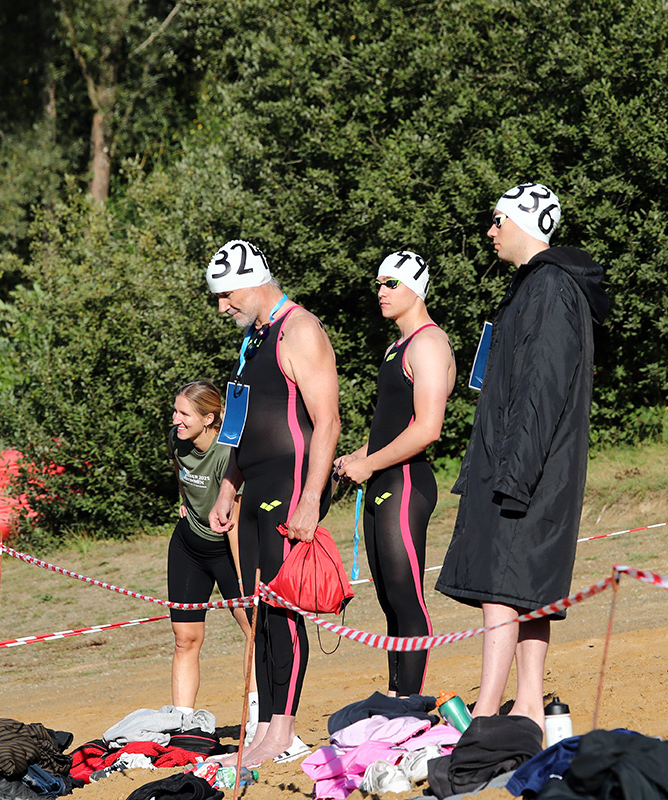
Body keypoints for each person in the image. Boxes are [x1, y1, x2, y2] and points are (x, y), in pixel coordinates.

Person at [435, 183, 608, 726]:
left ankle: (488, 709)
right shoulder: (538, 285)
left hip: (527, 467)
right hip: (527, 464)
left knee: (502, 588)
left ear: (523, 222)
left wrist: (515, 473)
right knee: (526, 586)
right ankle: (528, 704)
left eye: (496, 220)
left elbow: (541, 387)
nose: (489, 231)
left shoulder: (551, 286)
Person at [205, 240, 340, 765]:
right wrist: (226, 487)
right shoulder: (253, 341)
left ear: (255, 278)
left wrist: (310, 499)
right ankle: (265, 727)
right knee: (260, 610)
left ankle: (282, 731)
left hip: (292, 484)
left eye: (227, 295)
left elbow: (326, 421)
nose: (222, 307)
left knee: (281, 608)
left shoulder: (300, 329)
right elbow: (240, 425)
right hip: (256, 485)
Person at [334, 250, 456, 697]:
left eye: (391, 283)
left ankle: (413, 703)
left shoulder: (427, 342)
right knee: (389, 601)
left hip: (406, 484)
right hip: (384, 478)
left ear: (415, 288)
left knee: (407, 597)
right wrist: (355, 457)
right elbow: (392, 427)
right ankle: (399, 697)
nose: (380, 291)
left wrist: (369, 463)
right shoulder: (395, 347)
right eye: (379, 283)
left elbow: (427, 428)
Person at [165, 380, 256, 731]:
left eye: (184, 413)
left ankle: (257, 717)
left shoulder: (225, 453)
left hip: (228, 548)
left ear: (209, 418)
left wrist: (243, 577)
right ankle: (182, 724)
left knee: (253, 630)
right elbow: (181, 472)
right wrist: (183, 502)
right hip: (188, 546)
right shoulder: (178, 440)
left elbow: (232, 521)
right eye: (175, 411)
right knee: (184, 637)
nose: (176, 419)